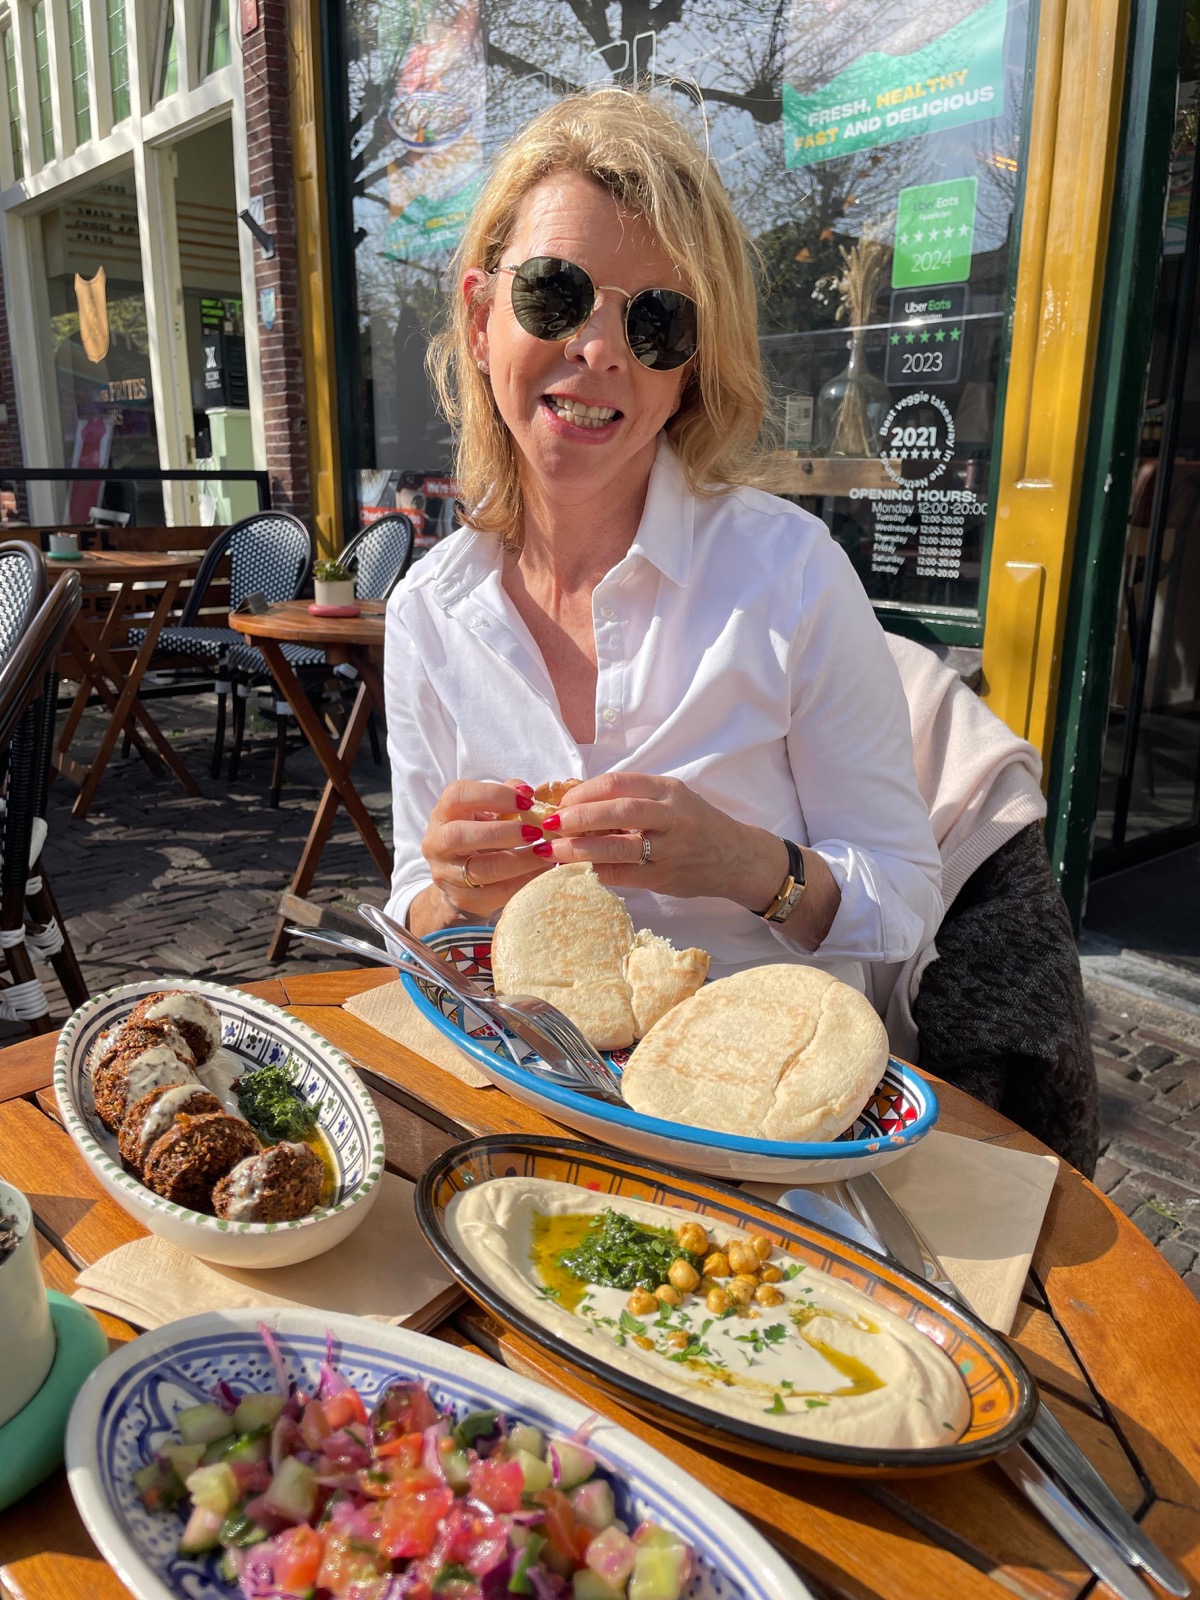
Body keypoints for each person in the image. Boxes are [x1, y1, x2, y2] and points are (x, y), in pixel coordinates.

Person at [384, 88, 942, 993]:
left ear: (688, 371)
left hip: (749, 1103)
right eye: (555, 294)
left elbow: (910, 900)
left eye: (655, 321)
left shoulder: (791, 575)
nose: (601, 349)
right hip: (531, 1074)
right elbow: (415, 899)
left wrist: (747, 865)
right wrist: (452, 894)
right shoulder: (426, 613)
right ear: (482, 319)